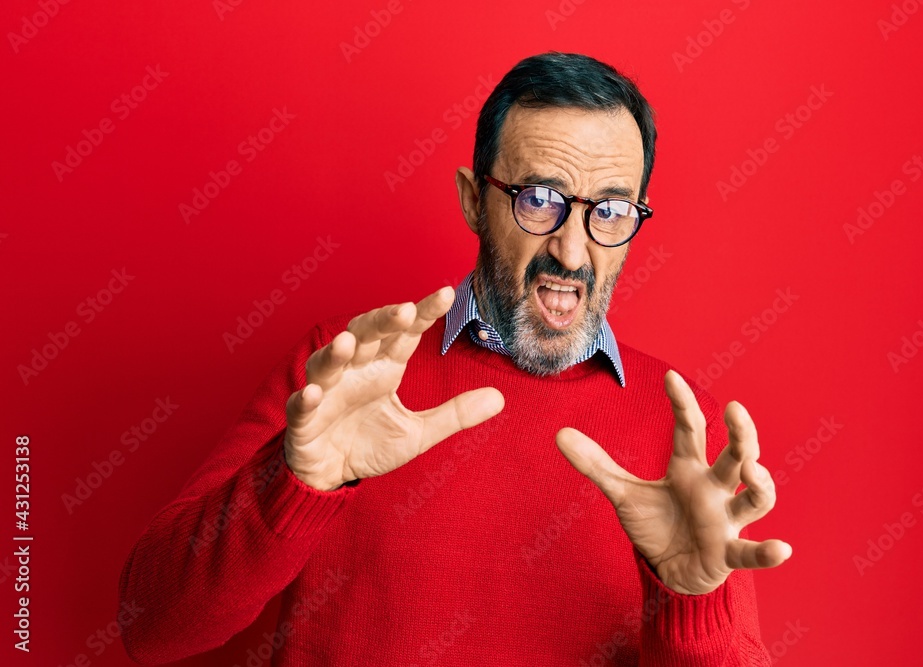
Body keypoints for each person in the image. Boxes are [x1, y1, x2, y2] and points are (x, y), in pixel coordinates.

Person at [119, 51, 791, 666]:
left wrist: (691, 599)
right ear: (474, 199)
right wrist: (292, 485)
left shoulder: (680, 425)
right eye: (538, 200)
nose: (572, 250)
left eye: (610, 210)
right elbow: (147, 625)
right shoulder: (346, 370)